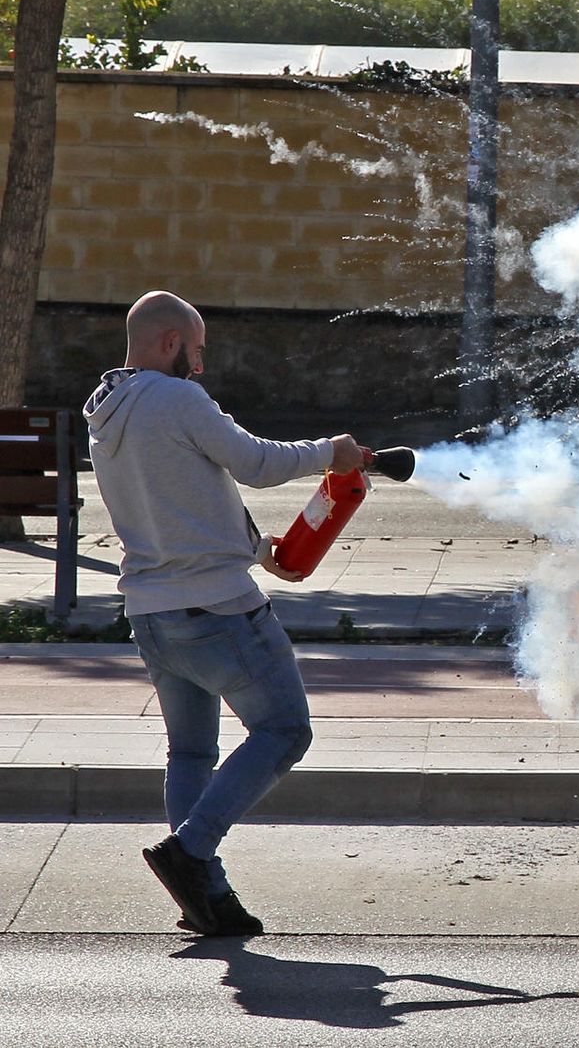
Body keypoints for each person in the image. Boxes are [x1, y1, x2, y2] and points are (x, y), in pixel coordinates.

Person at [83, 290, 369, 936]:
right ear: (169, 342)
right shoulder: (178, 398)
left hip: (151, 613)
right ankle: (190, 851)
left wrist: (259, 549)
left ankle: (203, 899)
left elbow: (186, 496)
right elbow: (256, 464)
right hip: (217, 609)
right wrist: (330, 451)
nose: (201, 365)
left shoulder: (107, 410)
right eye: (197, 349)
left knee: (190, 752)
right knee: (286, 729)